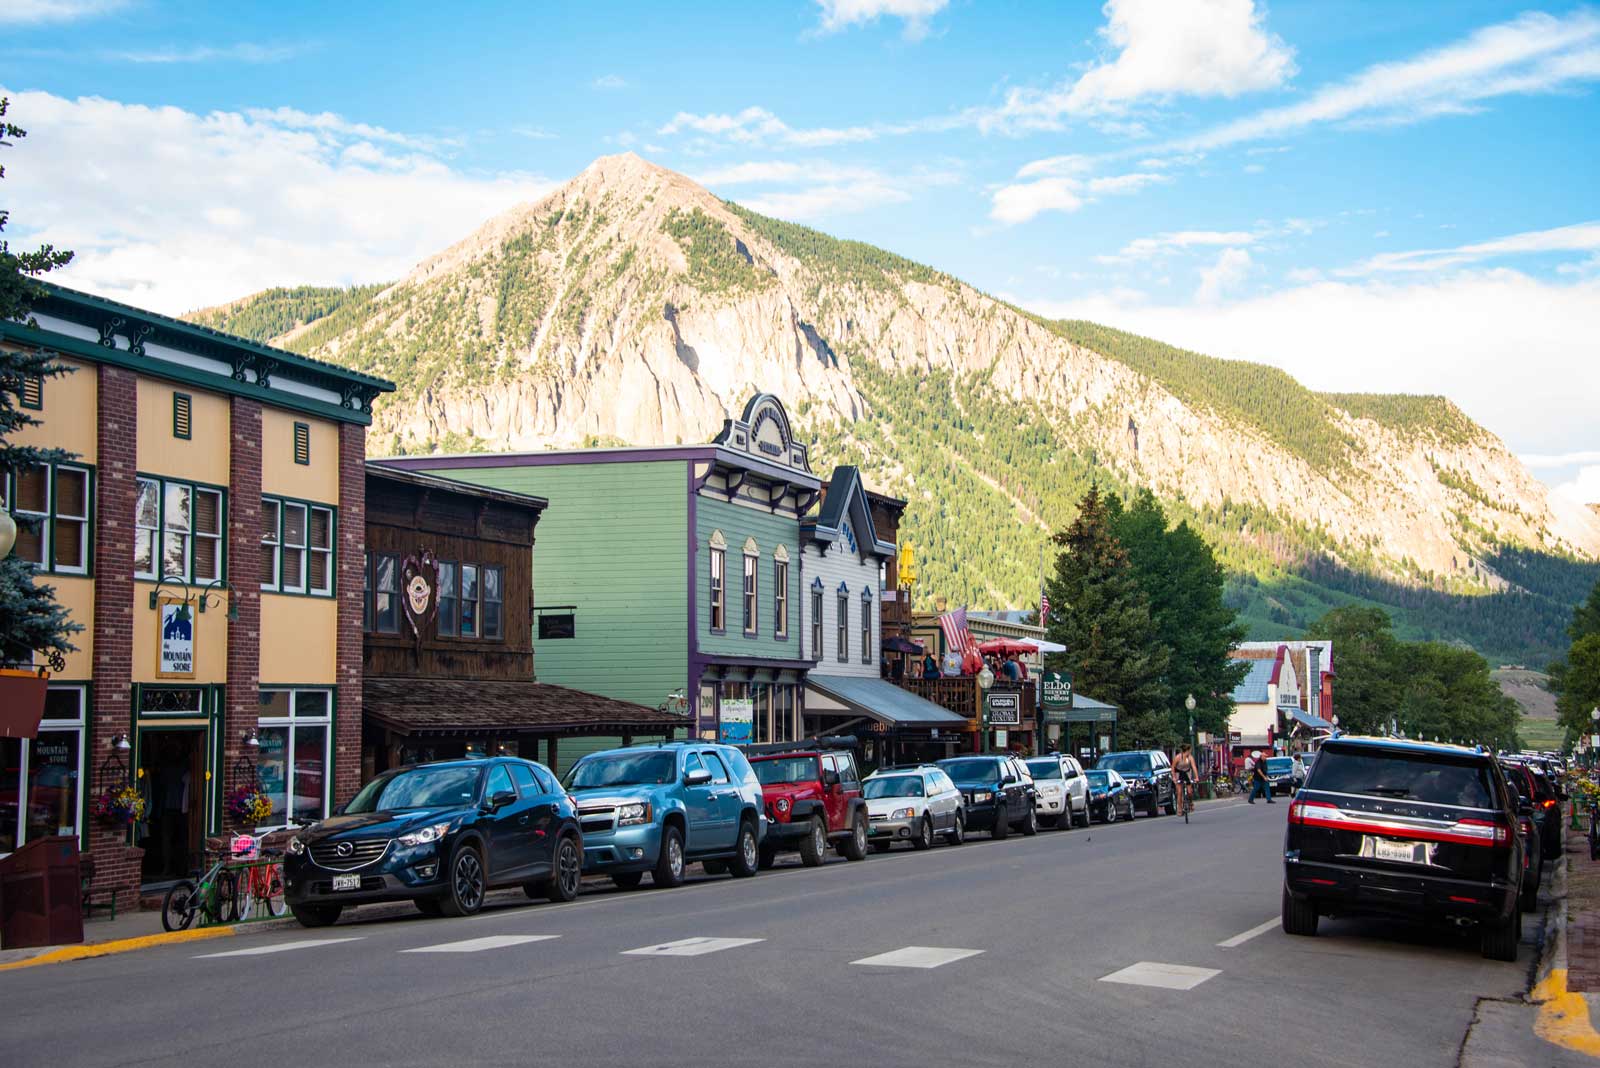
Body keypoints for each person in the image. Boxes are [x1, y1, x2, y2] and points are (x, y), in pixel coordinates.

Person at [1172, 743, 1198, 813]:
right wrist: (1174, 777)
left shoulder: (1190, 758)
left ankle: (1191, 803)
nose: (1190, 752)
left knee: (1189, 792)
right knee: (1179, 792)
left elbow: (1194, 767)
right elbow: (1173, 768)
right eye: (1190, 750)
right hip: (1178, 773)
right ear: (1187, 750)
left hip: (1187, 773)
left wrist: (1196, 777)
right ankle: (1180, 808)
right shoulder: (1178, 757)